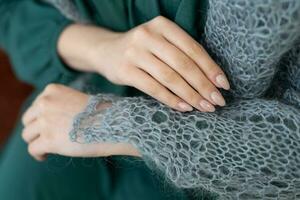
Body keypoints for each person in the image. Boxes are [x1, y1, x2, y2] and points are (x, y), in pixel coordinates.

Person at [0, 0, 223, 199]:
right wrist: (100, 49)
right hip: (74, 100)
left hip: (210, 159)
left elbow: (257, 159)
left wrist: (115, 123)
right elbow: (8, 11)